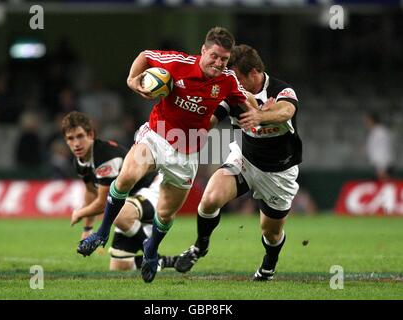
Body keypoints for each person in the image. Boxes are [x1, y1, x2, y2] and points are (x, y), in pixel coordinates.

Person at [76, 27, 259, 283]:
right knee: (127, 176)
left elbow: (245, 100)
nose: (218, 63)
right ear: (203, 51)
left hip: (188, 150)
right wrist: (132, 80)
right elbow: (145, 55)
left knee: (165, 214)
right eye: (214, 56)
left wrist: (259, 114)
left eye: (224, 59)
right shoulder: (177, 63)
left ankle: (151, 250)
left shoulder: (227, 81)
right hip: (157, 135)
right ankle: (102, 232)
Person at [174, 44, 303, 281]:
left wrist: (261, 115)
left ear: (253, 73)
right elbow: (210, 120)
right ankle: (199, 247)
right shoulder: (232, 92)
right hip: (244, 159)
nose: (234, 82)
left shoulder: (281, 90)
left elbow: (286, 112)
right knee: (210, 198)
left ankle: (269, 264)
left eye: (238, 77)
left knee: (271, 232)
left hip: (278, 172)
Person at [62, 111, 177, 271]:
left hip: (152, 190)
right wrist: (87, 229)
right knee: (119, 266)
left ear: (91, 134)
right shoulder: (80, 162)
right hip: (131, 201)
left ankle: (152, 256)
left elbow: (103, 203)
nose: (76, 143)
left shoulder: (104, 156)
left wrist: (79, 213)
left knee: (119, 215)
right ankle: (168, 262)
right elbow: (91, 193)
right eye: (70, 138)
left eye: (80, 136)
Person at [363, 112, 395, 181]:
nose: (365, 122)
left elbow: (384, 149)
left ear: (372, 120)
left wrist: (382, 167)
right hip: (379, 164)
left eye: (367, 120)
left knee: (385, 184)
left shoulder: (380, 132)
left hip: (382, 165)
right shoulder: (374, 132)